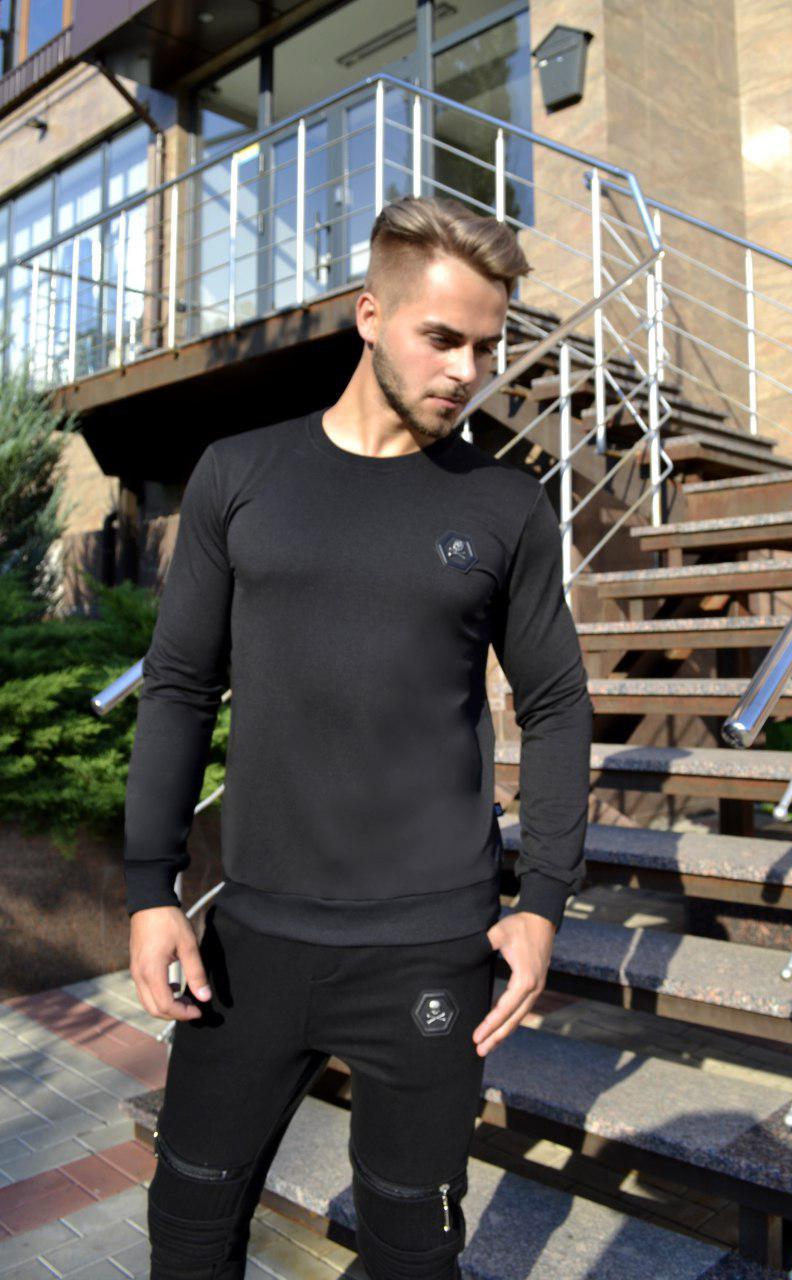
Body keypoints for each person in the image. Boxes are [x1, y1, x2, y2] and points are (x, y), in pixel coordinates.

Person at [124, 193, 593, 1279]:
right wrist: (151, 889)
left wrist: (542, 903)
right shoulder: (240, 474)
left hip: (431, 945)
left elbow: (557, 703)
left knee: (413, 1249)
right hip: (252, 939)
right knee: (185, 1229)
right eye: (444, 338)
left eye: (487, 346)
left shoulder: (504, 505)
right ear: (369, 315)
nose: (468, 371)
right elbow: (181, 685)